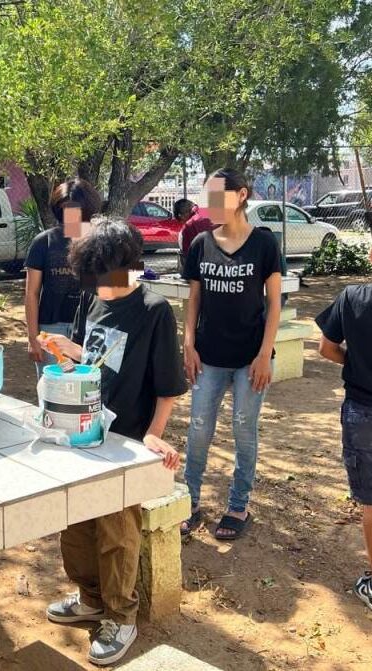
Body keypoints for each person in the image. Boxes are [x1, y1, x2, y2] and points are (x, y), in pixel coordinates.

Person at [39, 217, 186, 666]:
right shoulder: (91, 298)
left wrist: (154, 434)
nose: (95, 285)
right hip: (84, 431)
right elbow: (89, 362)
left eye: (101, 276)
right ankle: (90, 598)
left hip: (126, 442)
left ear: (125, 266)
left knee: (117, 532)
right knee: (76, 525)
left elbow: (168, 387)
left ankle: (122, 617)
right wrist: (66, 354)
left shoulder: (154, 310)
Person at [180, 168, 282, 540]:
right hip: (208, 356)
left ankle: (238, 505)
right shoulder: (200, 243)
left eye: (216, 197)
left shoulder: (264, 244)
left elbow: (274, 304)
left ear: (240, 195)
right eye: (206, 197)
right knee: (198, 429)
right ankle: (189, 503)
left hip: (250, 359)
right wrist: (188, 343)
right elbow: (194, 300)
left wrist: (264, 354)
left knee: (243, 429)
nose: (209, 205)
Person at [315, 248, 372, 612]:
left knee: (370, 500)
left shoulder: (352, 297)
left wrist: (355, 363)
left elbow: (326, 348)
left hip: (361, 410)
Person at [24, 178, 101, 377]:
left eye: (77, 208)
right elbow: (31, 293)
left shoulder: (99, 241)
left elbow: (118, 282)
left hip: (89, 326)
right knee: (54, 386)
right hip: (51, 327)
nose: (72, 214)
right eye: (66, 208)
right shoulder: (43, 241)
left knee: (88, 385)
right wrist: (33, 338)